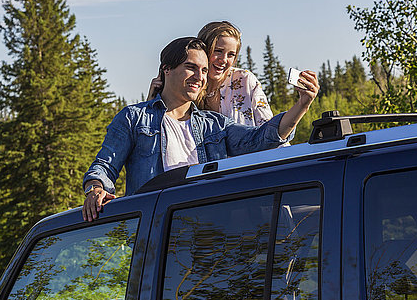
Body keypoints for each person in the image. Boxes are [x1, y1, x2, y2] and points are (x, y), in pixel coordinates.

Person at [83, 37, 319, 221]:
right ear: (166, 69)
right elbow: (104, 166)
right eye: (191, 68)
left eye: (204, 70)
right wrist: (96, 189)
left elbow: (262, 139)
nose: (200, 77)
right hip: (157, 235)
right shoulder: (134, 119)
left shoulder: (213, 125)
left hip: (211, 234)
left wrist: (302, 105)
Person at [149, 21, 275, 127]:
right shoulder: (190, 87)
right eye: (218, 51)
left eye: (231, 55)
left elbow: (270, 129)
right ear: (203, 51)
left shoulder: (244, 80)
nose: (224, 60)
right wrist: (152, 99)